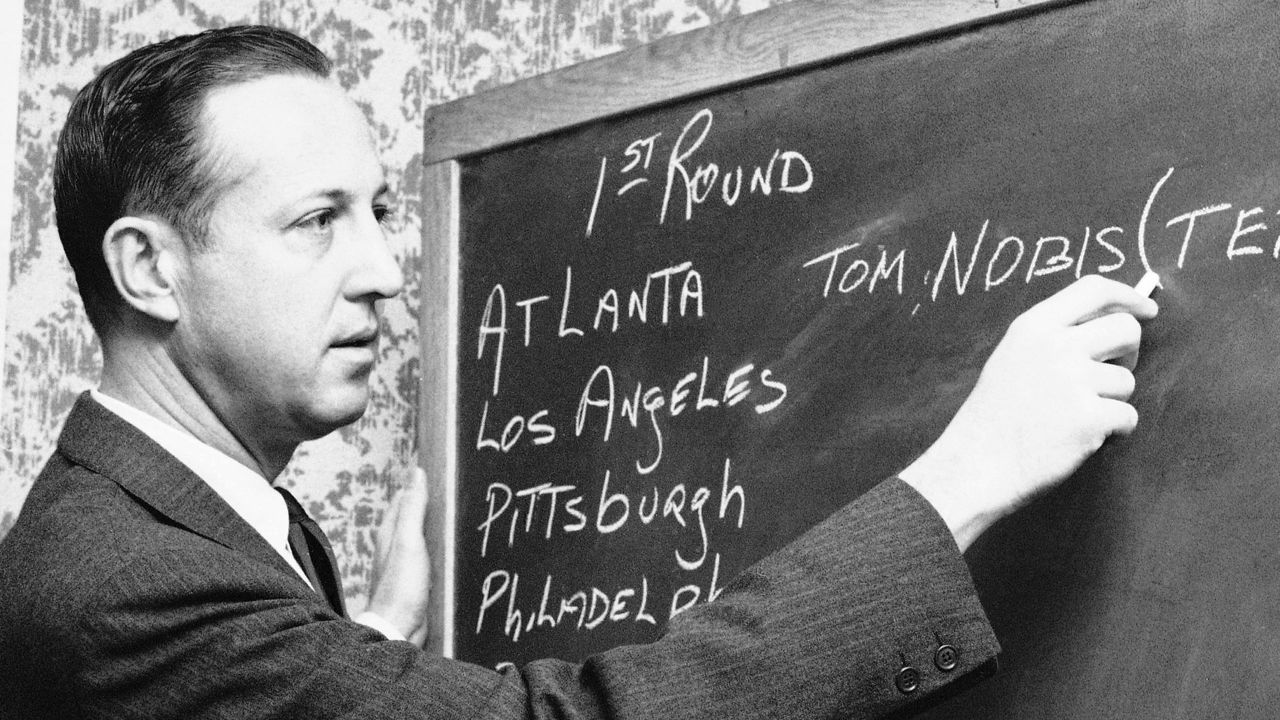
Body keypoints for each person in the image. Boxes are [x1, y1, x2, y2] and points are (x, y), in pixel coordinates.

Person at [0, 25, 1158, 720]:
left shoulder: (184, 517)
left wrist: (363, 651)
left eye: (381, 211)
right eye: (316, 222)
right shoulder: (124, 589)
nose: (384, 273)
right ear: (148, 267)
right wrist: (965, 475)